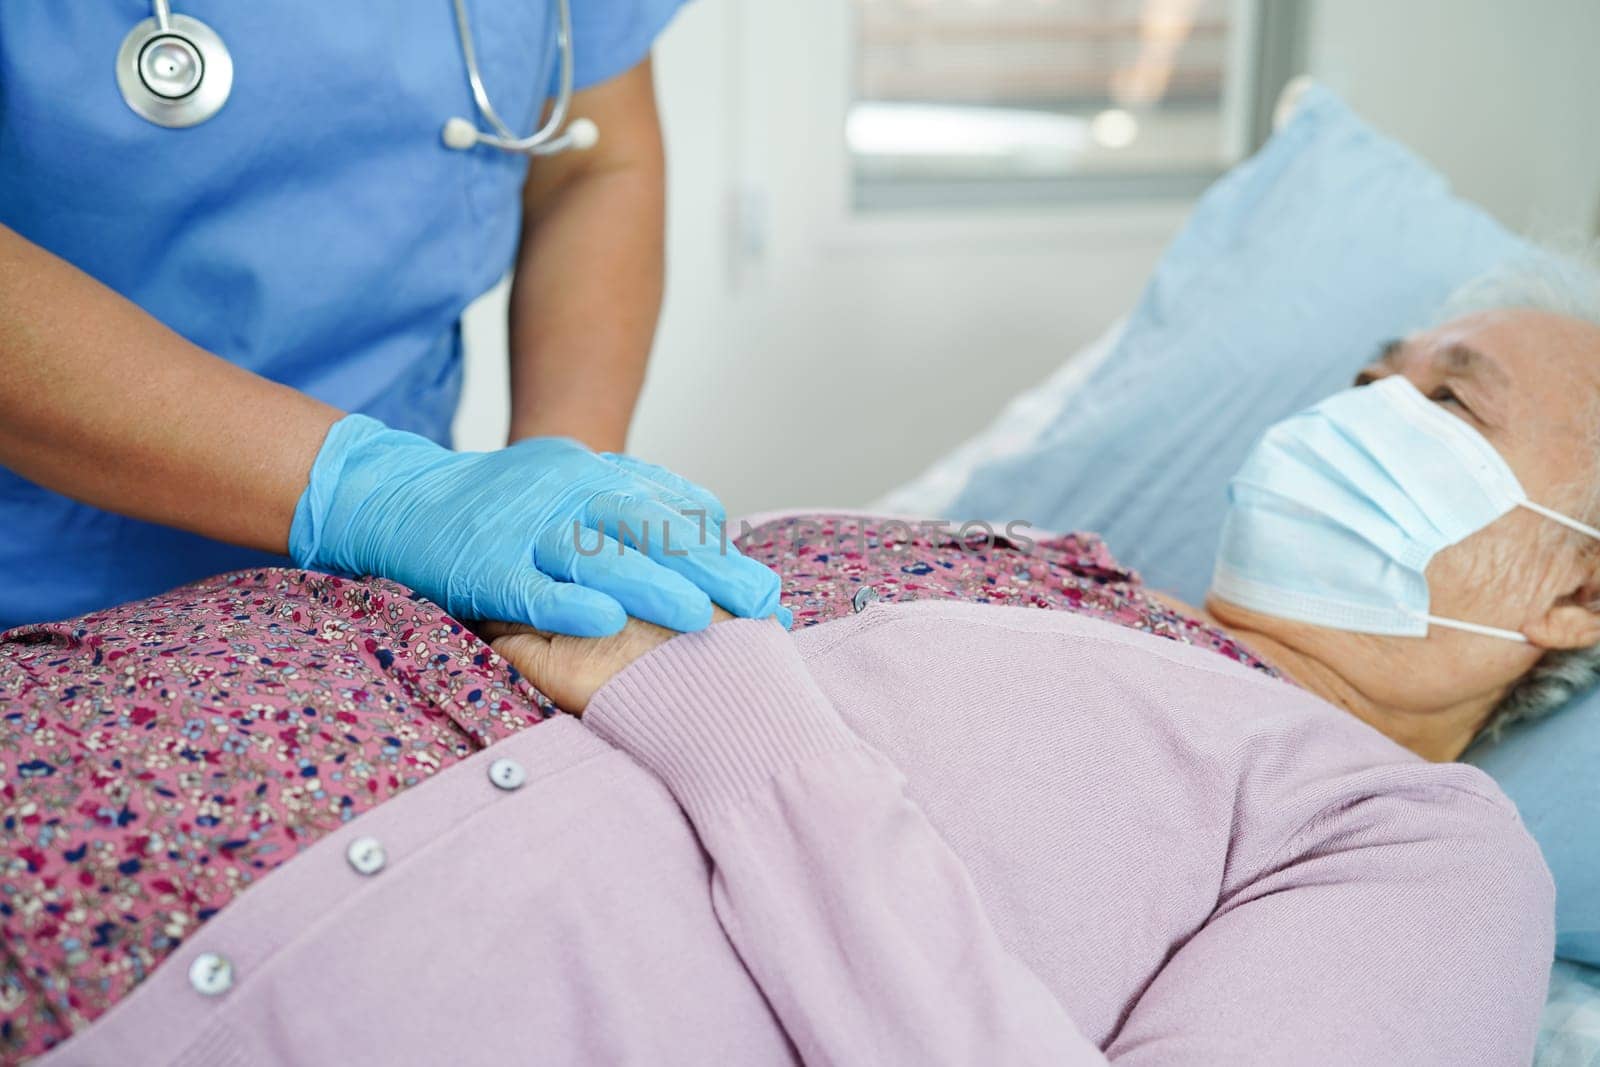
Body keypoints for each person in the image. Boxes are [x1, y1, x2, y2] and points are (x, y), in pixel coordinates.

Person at [4, 269, 1597, 1063]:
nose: (1361, 408)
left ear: (1579, 590)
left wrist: (730, 717)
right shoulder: (1038, 566)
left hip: (158, 968)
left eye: (1445, 405)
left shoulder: (1428, 846)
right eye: (1365, 373)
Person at [0, 2, 784, 637]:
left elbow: (593, 164)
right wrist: (366, 491)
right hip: (44, 575)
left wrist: (557, 497)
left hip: (391, 594)